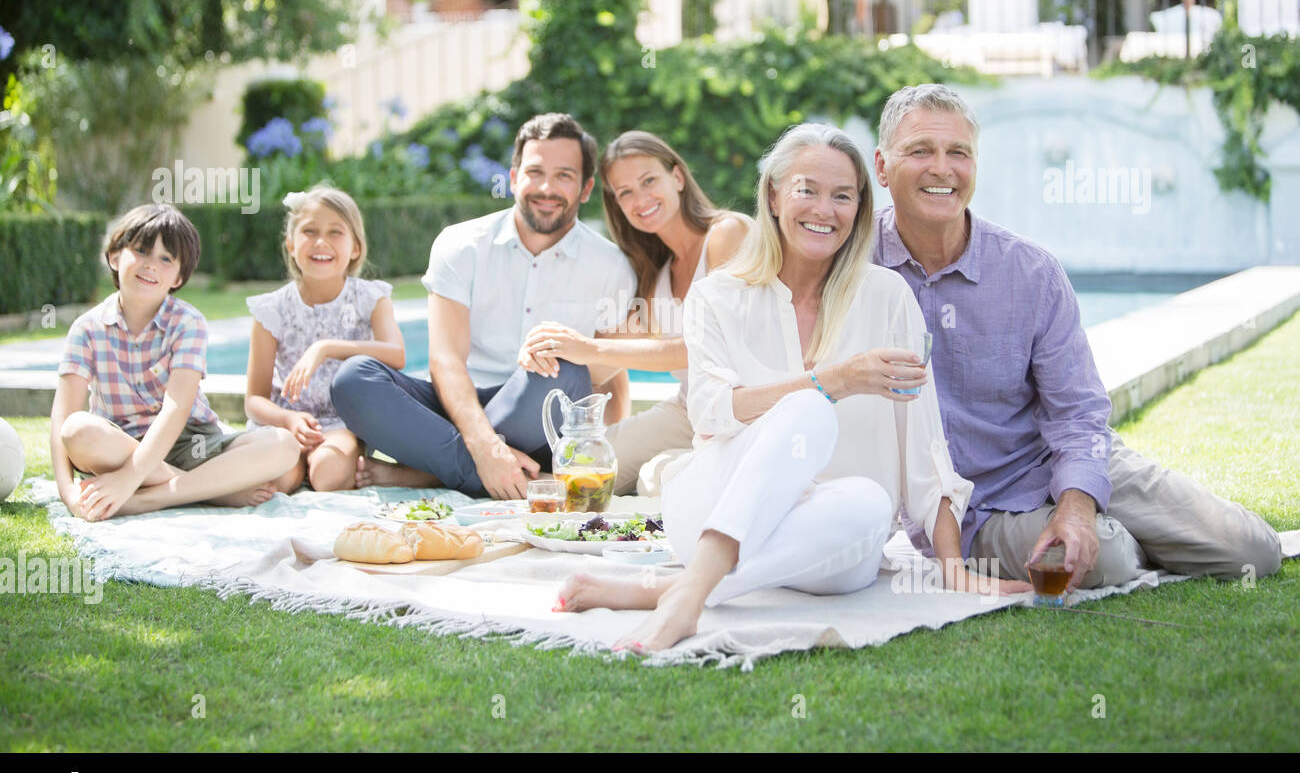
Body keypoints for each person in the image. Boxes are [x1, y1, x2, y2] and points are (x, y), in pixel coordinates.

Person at [555, 123, 1030, 653]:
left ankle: (675, 590)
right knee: (808, 407)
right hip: (714, 509)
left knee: (872, 505)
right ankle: (690, 598)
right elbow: (710, 413)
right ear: (775, 195)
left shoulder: (887, 296)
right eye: (807, 189)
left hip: (827, 541)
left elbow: (925, 448)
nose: (824, 209)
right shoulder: (717, 297)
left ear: (860, 209)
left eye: (843, 196)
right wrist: (835, 381)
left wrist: (952, 567)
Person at [870, 83, 1283, 588]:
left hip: (1059, 459)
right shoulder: (850, 265)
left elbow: (1079, 412)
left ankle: (1104, 517)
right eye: (921, 151)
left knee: (1253, 551)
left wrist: (1078, 499)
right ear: (882, 167)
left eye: (959, 152)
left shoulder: (1030, 272)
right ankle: (1117, 536)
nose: (943, 168)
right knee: (1101, 558)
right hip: (974, 511)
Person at [331, 112, 636, 499]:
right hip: (456, 405)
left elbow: (609, 376)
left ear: (586, 187)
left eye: (564, 175)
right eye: (535, 172)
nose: (546, 187)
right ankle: (494, 470)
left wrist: (602, 457)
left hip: (538, 415)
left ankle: (431, 471)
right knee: (353, 379)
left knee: (565, 369)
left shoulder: (611, 266)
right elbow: (446, 361)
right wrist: (487, 448)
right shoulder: (460, 246)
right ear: (512, 179)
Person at [516, 130, 749, 496]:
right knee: (573, 474)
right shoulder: (656, 277)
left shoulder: (727, 234)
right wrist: (543, 353)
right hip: (689, 411)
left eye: (648, 181)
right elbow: (598, 368)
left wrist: (588, 348)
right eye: (625, 193)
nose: (640, 199)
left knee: (657, 483)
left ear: (677, 176)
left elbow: (706, 351)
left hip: (744, 411)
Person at [51, 204, 300, 521]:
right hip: (119, 443)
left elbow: (176, 408)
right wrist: (68, 492)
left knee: (285, 445)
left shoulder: (187, 322)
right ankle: (213, 490)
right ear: (115, 256)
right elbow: (63, 417)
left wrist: (129, 480)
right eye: (141, 251)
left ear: (179, 276)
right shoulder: (86, 329)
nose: (151, 265)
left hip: (192, 443)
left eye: (166, 258)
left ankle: (148, 498)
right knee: (78, 430)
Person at [244, 186, 405, 493]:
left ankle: (336, 458)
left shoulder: (371, 298)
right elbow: (254, 400)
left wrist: (326, 348)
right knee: (277, 481)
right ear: (291, 244)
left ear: (355, 247)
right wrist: (288, 420)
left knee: (328, 476)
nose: (321, 242)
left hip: (340, 424)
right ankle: (297, 464)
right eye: (309, 231)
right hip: (285, 423)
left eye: (335, 232)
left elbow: (396, 354)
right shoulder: (270, 309)